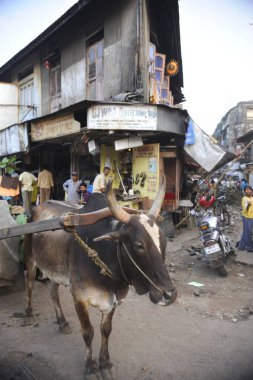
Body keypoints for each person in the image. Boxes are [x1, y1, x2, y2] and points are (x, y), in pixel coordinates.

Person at [238, 185, 253, 252]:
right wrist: (248, 205)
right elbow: (245, 208)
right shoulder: (244, 198)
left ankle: (241, 246)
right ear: (244, 191)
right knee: (248, 233)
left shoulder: (251, 197)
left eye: (250, 189)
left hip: (251, 217)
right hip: (247, 218)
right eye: (246, 190)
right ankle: (249, 247)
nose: (248, 191)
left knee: (246, 232)